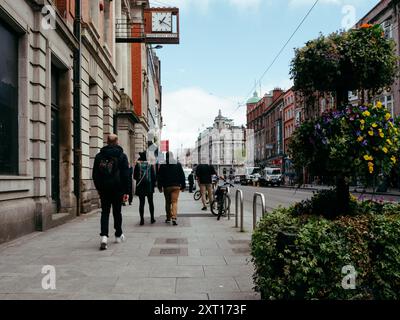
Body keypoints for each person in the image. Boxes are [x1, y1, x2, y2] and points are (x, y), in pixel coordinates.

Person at [93, 134, 129, 251]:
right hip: (118, 189)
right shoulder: (122, 156)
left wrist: (99, 188)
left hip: (104, 189)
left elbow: (95, 175)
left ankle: (104, 236)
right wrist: (126, 191)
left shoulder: (99, 156)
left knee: (105, 212)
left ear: (107, 141)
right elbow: (125, 175)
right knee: (117, 212)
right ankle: (118, 235)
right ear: (117, 141)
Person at [157, 152, 186, 226]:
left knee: (167, 202)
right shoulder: (178, 164)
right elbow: (182, 175)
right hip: (176, 186)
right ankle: (174, 217)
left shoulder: (163, 165)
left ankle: (168, 218)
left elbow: (159, 177)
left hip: (167, 186)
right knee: (174, 202)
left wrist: (159, 187)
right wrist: (183, 186)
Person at [134, 152, 156, 225]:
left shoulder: (137, 165)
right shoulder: (150, 165)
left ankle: (142, 220)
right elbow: (153, 177)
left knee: (141, 203)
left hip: (141, 187)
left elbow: (134, 177)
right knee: (151, 203)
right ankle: (152, 218)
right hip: (149, 186)